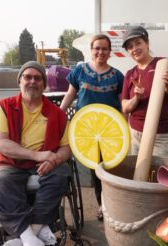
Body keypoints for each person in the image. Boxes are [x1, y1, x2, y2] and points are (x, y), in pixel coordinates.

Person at [0, 61, 71, 246]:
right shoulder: (4, 106)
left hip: (45, 165)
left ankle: (25, 238)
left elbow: (66, 149)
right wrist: (36, 155)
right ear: (19, 81)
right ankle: (31, 239)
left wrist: (53, 160)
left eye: (37, 78)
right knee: (1, 180)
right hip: (12, 161)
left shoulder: (57, 113)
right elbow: (0, 143)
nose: (32, 81)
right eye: (27, 77)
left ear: (44, 84)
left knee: (62, 173)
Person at [60, 34, 124, 221]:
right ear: (91, 49)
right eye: (97, 48)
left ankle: (112, 205)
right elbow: (70, 95)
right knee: (96, 170)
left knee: (110, 169)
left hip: (109, 131)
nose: (100, 52)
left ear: (110, 52)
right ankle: (102, 206)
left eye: (104, 48)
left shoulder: (118, 76)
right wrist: (58, 114)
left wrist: (124, 126)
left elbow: (122, 105)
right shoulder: (79, 71)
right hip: (86, 131)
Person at [121, 26, 168, 157]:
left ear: (147, 43)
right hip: (137, 133)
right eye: (130, 47)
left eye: (138, 43)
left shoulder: (165, 64)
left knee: (160, 174)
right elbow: (125, 107)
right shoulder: (130, 74)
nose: (134, 49)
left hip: (164, 135)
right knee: (138, 174)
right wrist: (136, 98)